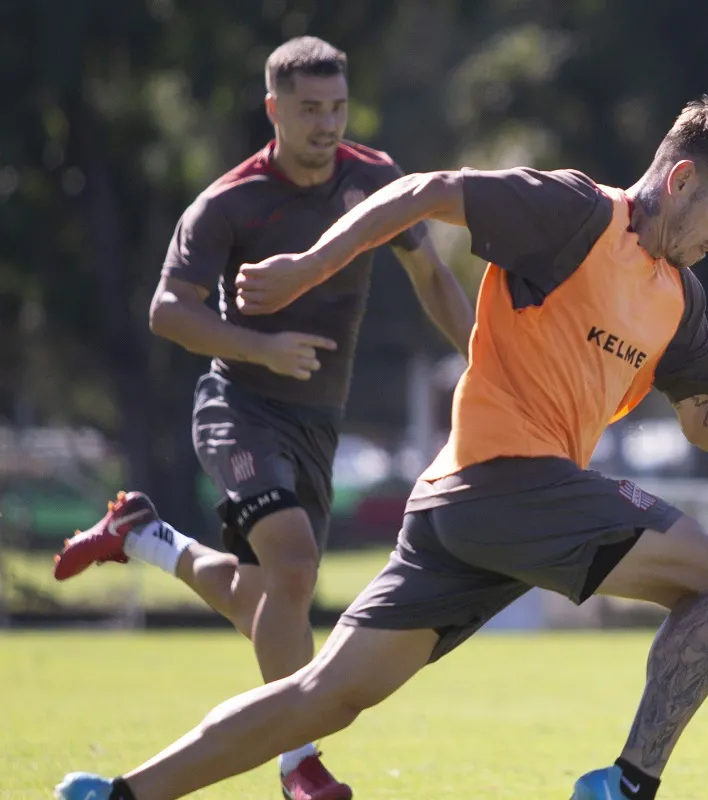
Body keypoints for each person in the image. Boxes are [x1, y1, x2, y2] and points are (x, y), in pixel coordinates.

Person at [54, 96, 708, 800]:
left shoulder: (680, 299)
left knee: (323, 695)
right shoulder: (576, 214)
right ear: (683, 179)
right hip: (501, 487)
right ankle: (625, 786)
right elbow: (425, 191)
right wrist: (305, 266)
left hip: (467, 514)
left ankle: (120, 792)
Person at [51, 36, 475, 800]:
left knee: (266, 600)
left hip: (318, 422)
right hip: (239, 407)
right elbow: (167, 312)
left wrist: (485, 359)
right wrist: (262, 348)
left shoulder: (376, 180)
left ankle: (142, 535)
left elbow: (431, 274)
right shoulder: (229, 202)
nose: (328, 123)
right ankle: (299, 764)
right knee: (295, 565)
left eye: (338, 106)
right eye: (310, 109)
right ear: (273, 110)